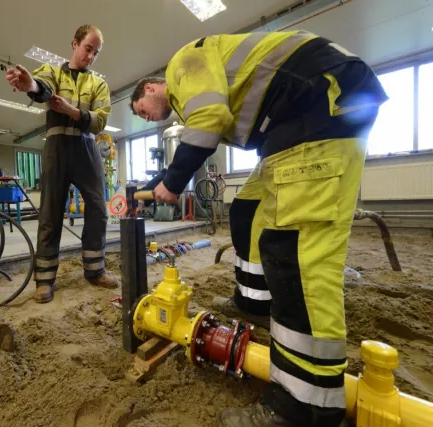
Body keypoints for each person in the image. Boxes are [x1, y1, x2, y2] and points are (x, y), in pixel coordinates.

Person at [129, 30, 387, 427]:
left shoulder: (183, 64)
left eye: (142, 110)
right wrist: (159, 184)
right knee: (247, 210)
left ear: (150, 87)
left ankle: (307, 404)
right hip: (293, 120)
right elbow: (202, 130)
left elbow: (210, 120)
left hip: (317, 105)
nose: (145, 117)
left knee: (297, 256)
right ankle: (254, 304)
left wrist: (173, 182)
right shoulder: (192, 92)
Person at [6, 24, 118, 304]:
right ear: (75, 44)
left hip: (86, 146)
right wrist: (29, 84)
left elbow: (100, 119)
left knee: (97, 207)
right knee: (51, 211)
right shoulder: (53, 71)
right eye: (88, 49)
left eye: (96, 53)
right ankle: (44, 280)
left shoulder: (99, 84)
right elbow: (41, 88)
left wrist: (70, 110)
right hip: (56, 146)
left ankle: (94, 270)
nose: (91, 56)